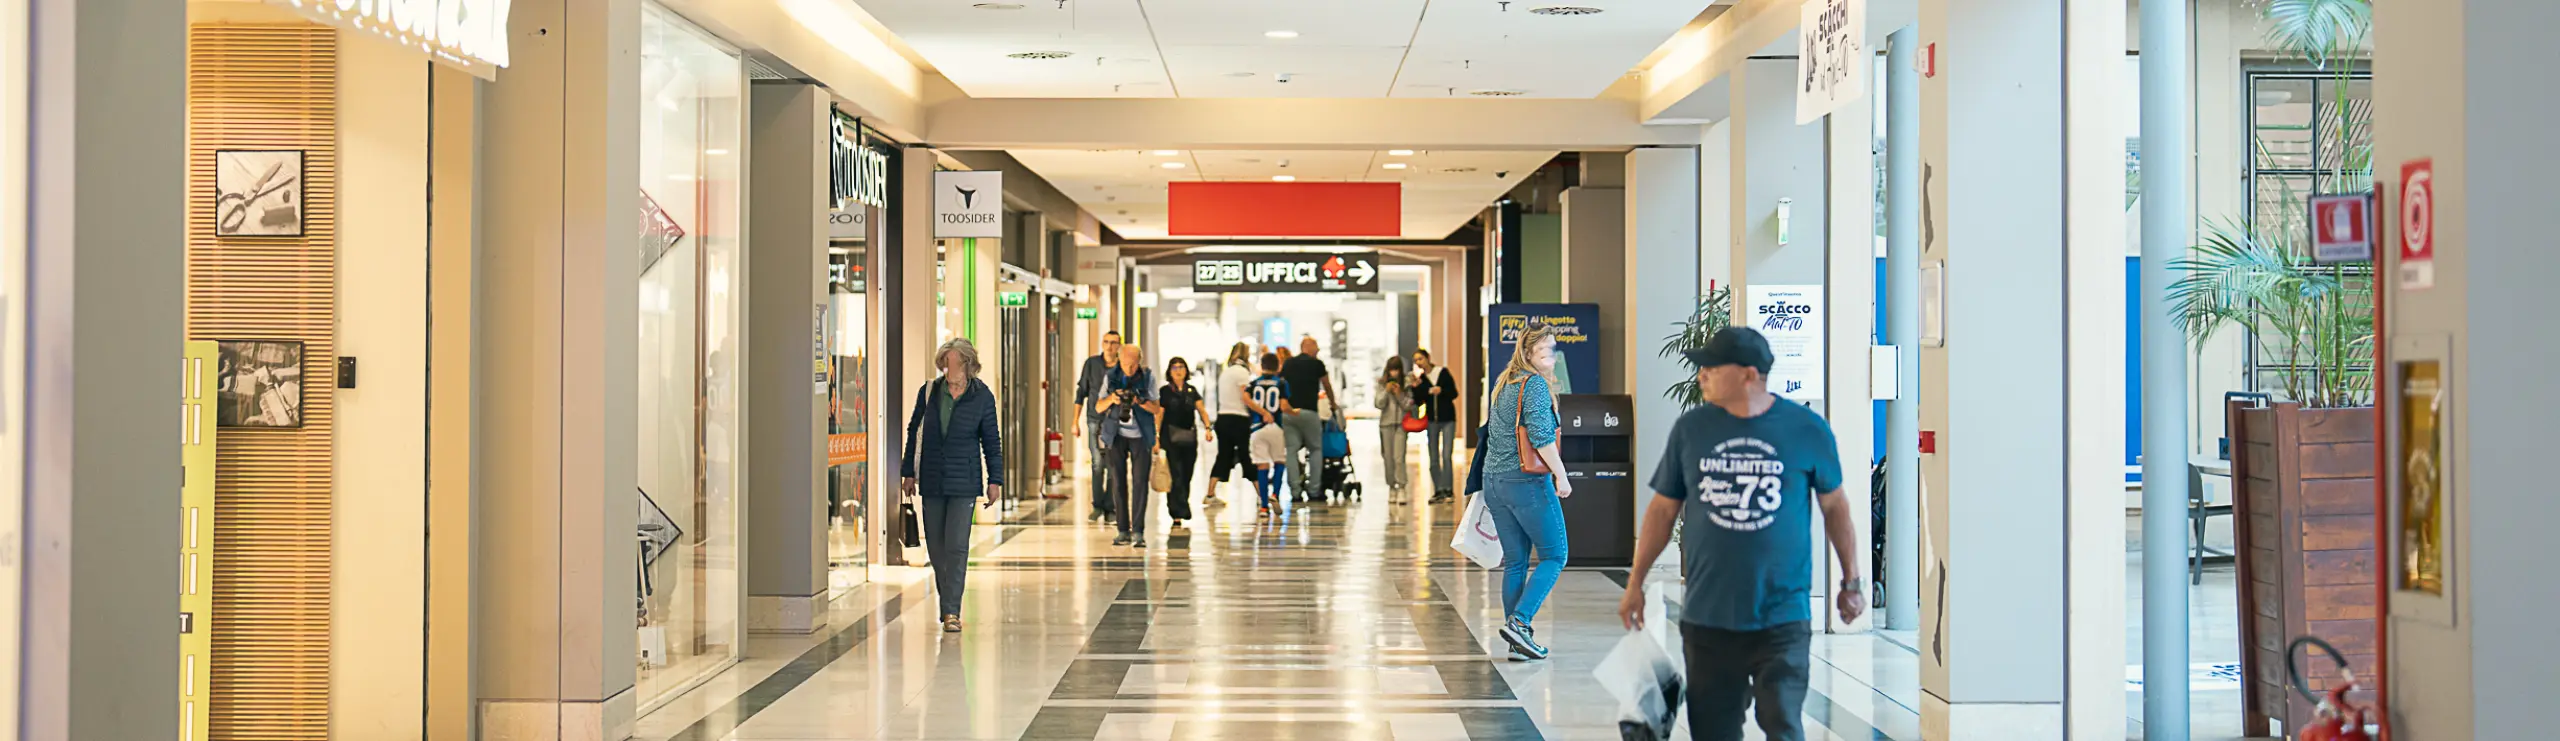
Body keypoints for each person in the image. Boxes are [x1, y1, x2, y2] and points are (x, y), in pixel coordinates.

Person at [1617, 327, 1866, 741]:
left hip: (1782, 617)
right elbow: (1662, 510)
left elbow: (1835, 506)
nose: (1702, 376)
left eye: (1712, 368)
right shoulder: (1691, 429)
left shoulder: (1806, 429)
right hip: (1708, 618)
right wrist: (1635, 583)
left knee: (1783, 725)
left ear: (1749, 375)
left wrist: (1851, 581)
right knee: (1713, 732)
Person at [898, 338, 1003, 634]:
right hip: (932, 477)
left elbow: (991, 441)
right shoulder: (930, 391)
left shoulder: (982, 396)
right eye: (945, 362)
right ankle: (948, 605)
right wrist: (908, 472)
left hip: (964, 480)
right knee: (936, 547)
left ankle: (951, 611)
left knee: (956, 546)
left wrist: (995, 480)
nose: (948, 368)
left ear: (968, 365)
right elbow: (913, 431)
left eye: (954, 362)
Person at [1481, 324, 1572, 661]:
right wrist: (1561, 476)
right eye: (1545, 349)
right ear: (1529, 352)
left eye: (1553, 348)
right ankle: (1520, 622)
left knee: (1516, 562)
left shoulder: (1505, 382)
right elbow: (1541, 437)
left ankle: (1516, 640)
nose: (1551, 354)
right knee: (1555, 555)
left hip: (1495, 481)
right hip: (1525, 482)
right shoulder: (1533, 384)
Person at [1097, 344, 1161, 547]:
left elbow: (1156, 408)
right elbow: (1099, 406)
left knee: (1140, 482)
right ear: (1119, 360)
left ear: (1139, 361)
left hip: (1141, 435)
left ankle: (1139, 531)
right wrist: (1113, 399)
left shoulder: (1148, 377)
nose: (1130, 368)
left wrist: (1139, 402)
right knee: (1117, 481)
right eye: (1126, 363)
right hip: (1116, 435)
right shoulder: (1111, 376)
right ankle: (1123, 529)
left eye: (1134, 364)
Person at [1072, 330, 1126, 523]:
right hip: (1094, 419)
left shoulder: (1123, 367)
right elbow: (1081, 393)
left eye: (1114, 343)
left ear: (1119, 345)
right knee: (1096, 464)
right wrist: (1074, 422)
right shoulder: (1091, 364)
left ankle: (1109, 507)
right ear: (1102, 344)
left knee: (1113, 464)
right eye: (1106, 342)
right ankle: (1097, 506)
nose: (1110, 346)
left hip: (1117, 420)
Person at [1278, 337, 1337, 504]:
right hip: (1309, 412)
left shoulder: (1288, 363)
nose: (1318, 350)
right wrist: (1332, 403)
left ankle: (1295, 491)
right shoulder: (1316, 364)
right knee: (1316, 449)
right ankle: (1314, 490)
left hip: (1289, 412)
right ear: (1308, 347)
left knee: (1291, 450)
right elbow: (1327, 385)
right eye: (1316, 347)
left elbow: (1281, 384)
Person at [1159, 357, 1212, 529]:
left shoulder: (1191, 390)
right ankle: (1177, 511)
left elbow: (1201, 410)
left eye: (1181, 367)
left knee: (1187, 473)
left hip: (1189, 437)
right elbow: (1159, 414)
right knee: (1176, 474)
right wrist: (1155, 436)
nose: (1178, 371)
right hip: (1170, 437)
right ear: (1169, 371)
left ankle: (1183, 503)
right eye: (1174, 367)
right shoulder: (1165, 392)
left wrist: (1208, 428)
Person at [1243, 353, 1293, 516]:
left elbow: (1246, 399)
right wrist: (1294, 412)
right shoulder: (1282, 383)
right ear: (1278, 366)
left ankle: (1263, 506)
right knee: (1279, 461)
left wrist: (1262, 412)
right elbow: (1284, 406)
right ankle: (1275, 494)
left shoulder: (1254, 383)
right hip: (1276, 427)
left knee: (1262, 465)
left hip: (1257, 428)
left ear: (1261, 366)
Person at [1207, 343, 1256, 506]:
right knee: (1246, 457)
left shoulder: (1226, 372)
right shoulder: (1242, 373)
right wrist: (1262, 412)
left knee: (1223, 456)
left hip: (1223, 418)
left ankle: (1210, 493)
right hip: (1238, 419)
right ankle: (1261, 494)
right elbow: (1245, 397)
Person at [1411, 349, 1460, 503]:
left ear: (1427, 358)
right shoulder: (1421, 379)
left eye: (1420, 358)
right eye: (1416, 360)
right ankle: (1438, 489)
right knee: (1433, 456)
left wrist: (1442, 391)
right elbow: (1419, 401)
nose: (1419, 362)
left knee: (1446, 455)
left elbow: (1454, 393)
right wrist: (1416, 388)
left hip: (1447, 419)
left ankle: (1448, 490)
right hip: (1432, 420)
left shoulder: (1442, 373)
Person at [1374, 357, 1414, 498]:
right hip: (1386, 424)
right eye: (1391, 369)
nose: (1394, 373)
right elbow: (1378, 403)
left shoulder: (1407, 383)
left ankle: (1402, 486)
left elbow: (1409, 405)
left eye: (1396, 369)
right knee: (1388, 457)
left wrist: (1399, 394)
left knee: (1399, 457)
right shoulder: (1381, 383)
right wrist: (1386, 391)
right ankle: (1391, 486)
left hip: (1401, 425)